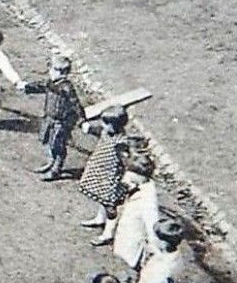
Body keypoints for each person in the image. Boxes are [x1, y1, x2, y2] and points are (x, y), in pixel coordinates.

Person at [79, 106, 135, 239]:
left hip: (111, 176)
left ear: (113, 125)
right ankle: (100, 219)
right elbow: (99, 131)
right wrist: (88, 128)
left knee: (110, 204)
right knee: (102, 199)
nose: (102, 125)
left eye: (105, 123)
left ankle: (108, 233)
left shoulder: (121, 143)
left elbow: (126, 161)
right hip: (101, 171)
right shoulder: (107, 132)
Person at [35, 55, 84, 180]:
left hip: (61, 122)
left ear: (62, 73)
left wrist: (82, 120)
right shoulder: (51, 83)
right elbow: (40, 86)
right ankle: (50, 162)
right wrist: (26, 87)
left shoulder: (66, 88)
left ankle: (56, 169)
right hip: (49, 118)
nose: (49, 72)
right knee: (48, 141)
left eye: (52, 70)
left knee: (58, 144)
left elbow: (76, 104)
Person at [108, 155, 160, 260]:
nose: (125, 180)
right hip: (123, 235)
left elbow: (152, 228)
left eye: (131, 179)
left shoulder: (148, 201)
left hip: (131, 245)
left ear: (140, 177)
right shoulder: (137, 187)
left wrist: (154, 251)